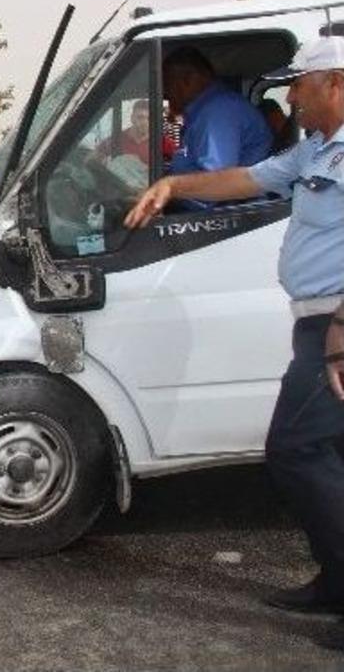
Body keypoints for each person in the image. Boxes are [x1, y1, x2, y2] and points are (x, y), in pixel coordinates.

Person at [124, 36, 344, 653]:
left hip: (337, 327)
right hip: (316, 323)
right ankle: (334, 580)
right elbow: (243, 179)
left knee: (297, 449)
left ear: (336, 83)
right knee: (325, 454)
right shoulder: (314, 153)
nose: (291, 94)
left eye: (300, 82)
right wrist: (173, 186)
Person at [163, 46, 273, 178]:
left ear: (189, 80)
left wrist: (169, 188)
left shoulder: (219, 111)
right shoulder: (202, 112)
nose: (165, 94)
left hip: (222, 198)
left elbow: (215, 182)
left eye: (168, 84)